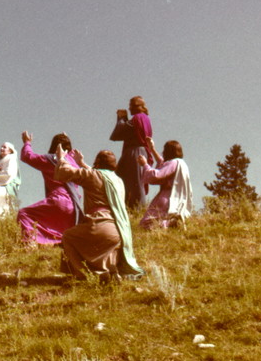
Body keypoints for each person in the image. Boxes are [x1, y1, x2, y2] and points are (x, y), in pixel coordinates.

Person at [55, 146, 143, 282]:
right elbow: (99, 176)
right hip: (118, 231)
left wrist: (61, 158)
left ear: (97, 163)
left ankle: (84, 275)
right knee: (107, 251)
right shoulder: (118, 180)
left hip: (99, 224)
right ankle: (109, 273)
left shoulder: (93, 175)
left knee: (69, 237)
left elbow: (64, 173)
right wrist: (82, 164)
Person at [17, 131, 82, 245]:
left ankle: (30, 243)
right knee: (61, 229)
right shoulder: (74, 164)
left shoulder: (51, 159)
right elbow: (69, 155)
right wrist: (66, 139)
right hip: (74, 206)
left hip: (58, 199)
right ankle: (57, 244)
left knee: (24, 214)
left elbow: (28, 156)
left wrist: (27, 142)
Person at [109, 97, 159, 209]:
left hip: (135, 151)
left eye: (132, 105)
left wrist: (121, 118)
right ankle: (130, 208)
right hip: (140, 150)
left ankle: (137, 209)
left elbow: (118, 133)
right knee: (131, 180)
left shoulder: (138, 118)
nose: (130, 108)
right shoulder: (144, 118)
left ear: (139, 106)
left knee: (134, 182)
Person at [137, 140, 194, 229]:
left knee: (147, 222)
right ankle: (171, 223)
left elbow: (157, 175)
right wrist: (152, 149)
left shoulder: (173, 163)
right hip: (176, 196)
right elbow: (163, 164)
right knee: (162, 217)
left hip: (167, 197)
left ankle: (170, 224)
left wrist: (145, 165)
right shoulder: (181, 163)